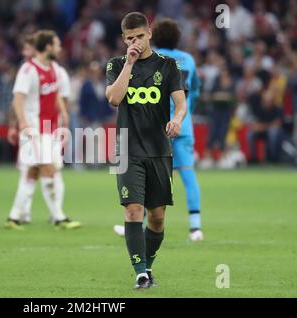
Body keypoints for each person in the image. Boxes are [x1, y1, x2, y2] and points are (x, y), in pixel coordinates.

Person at [105, 12, 187, 289]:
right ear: (123, 39)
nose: (135, 42)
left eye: (139, 36)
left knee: (157, 216)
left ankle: (147, 264)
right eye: (130, 38)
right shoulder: (116, 65)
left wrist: (177, 120)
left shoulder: (168, 66)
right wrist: (129, 62)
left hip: (159, 149)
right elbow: (115, 98)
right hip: (127, 150)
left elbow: (181, 103)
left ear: (149, 33)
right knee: (133, 209)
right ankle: (140, 273)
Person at [113, 18, 203, 241]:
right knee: (187, 172)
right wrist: (183, 115)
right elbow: (194, 92)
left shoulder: (153, 59)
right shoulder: (187, 60)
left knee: (145, 179)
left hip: (152, 128)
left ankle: (135, 222)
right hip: (181, 125)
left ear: (152, 35)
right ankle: (195, 226)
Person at [6, 30, 81, 230]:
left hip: (50, 129)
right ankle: (58, 216)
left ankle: (13, 217)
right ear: (47, 46)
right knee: (49, 169)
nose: (59, 48)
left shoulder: (54, 69)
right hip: (34, 129)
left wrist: (63, 112)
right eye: (56, 44)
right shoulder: (28, 70)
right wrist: (22, 122)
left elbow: (55, 93)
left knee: (32, 172)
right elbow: (18, 98)